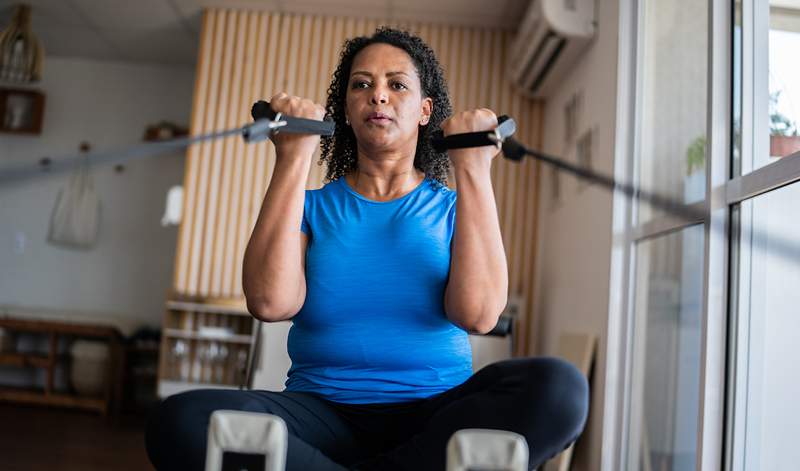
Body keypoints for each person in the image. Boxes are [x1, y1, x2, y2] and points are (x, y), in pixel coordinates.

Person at [146, 27, 588, 471]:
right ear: (345, 110)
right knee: (181, 419)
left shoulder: (455, 208)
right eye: (362, 84)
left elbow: (477, 316)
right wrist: (294, 156)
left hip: (433, 417)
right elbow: (269, 303)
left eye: (397, 85)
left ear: (424, 111)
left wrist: (472, 168)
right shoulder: (310, 207)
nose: (379, 96)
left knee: (560, 389)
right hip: (321, 414)